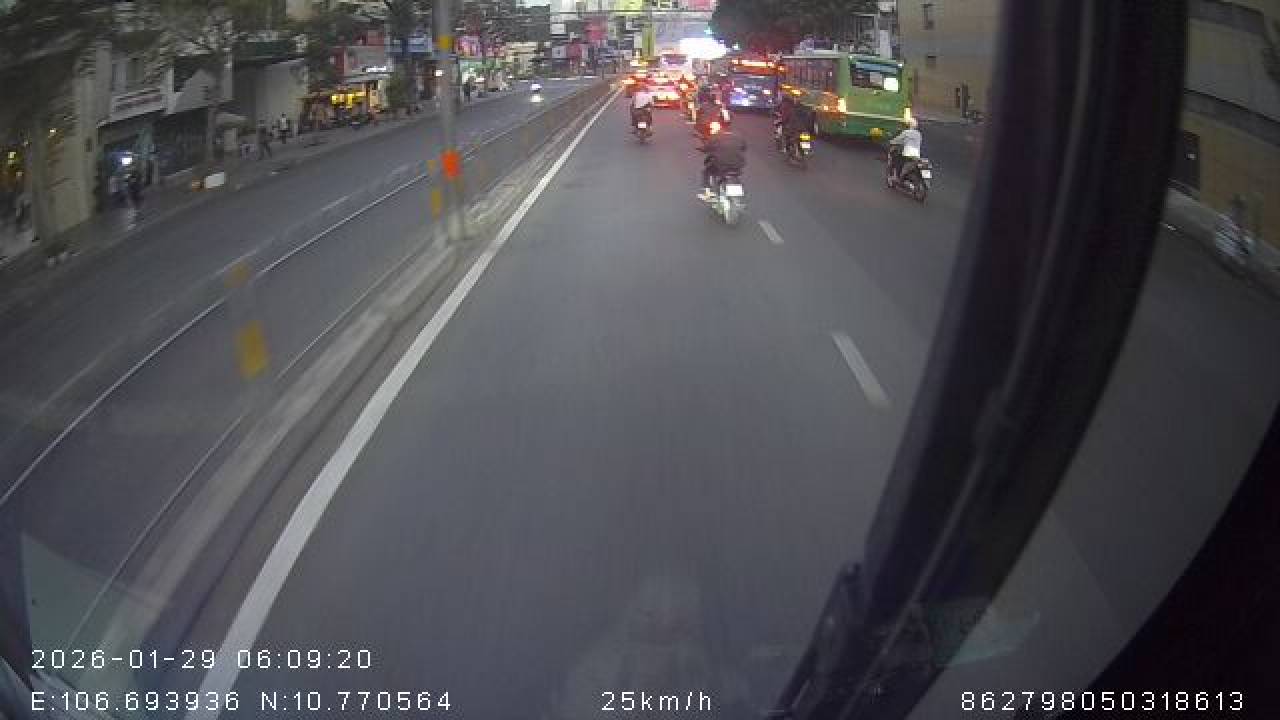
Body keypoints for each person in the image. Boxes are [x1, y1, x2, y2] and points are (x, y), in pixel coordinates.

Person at [699, 126, 747, 201]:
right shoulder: (738, 138)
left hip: (721, 165)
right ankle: (736, 196)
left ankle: (708, 193)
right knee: (735, 175)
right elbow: (744, 148)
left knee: (706, 172)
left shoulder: (715, 137)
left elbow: (707, 148)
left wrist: (703, 149)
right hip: (737, 165)